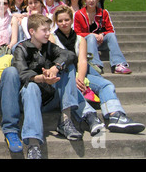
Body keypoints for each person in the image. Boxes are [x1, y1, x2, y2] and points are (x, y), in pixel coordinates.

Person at [12, 13, 103, 159]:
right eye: (45, 30)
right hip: (29, 100)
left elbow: (69, 55)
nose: (49, 33)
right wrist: (40, 78)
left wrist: (55, 68)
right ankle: (33, 144)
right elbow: (20, 73)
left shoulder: (48, 46)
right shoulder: (21, 48)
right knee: (32, 87)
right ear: (32, 32)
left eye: (49, 30)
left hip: (50, 97)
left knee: (67, 68)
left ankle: (65, 121)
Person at [51, 6, 145, 134]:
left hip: (81, 73)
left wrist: (80, 78)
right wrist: (74, 79)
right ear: (56, 22)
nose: (64, 23)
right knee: (72, 88)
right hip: (64, 77)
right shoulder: (53, 38)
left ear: (71, 20)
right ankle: (89, 116)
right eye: (60, 21)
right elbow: (55, 61)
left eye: (66, 20)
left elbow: (83, 60)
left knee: (106, 84)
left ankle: (115, 115)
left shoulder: (80, 39)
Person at [74, 0, 132, 74]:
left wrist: (103, 34)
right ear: (85, 0)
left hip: (101, 41)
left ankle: (118, 64)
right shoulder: (79, 14)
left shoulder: (103, 13)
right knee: (91, 37)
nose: (91, 1)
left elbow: (110, 29)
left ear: (97, 0)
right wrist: (92, 35)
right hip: (86, 43)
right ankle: (95, 65)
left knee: (111, 35)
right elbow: (77, 32)